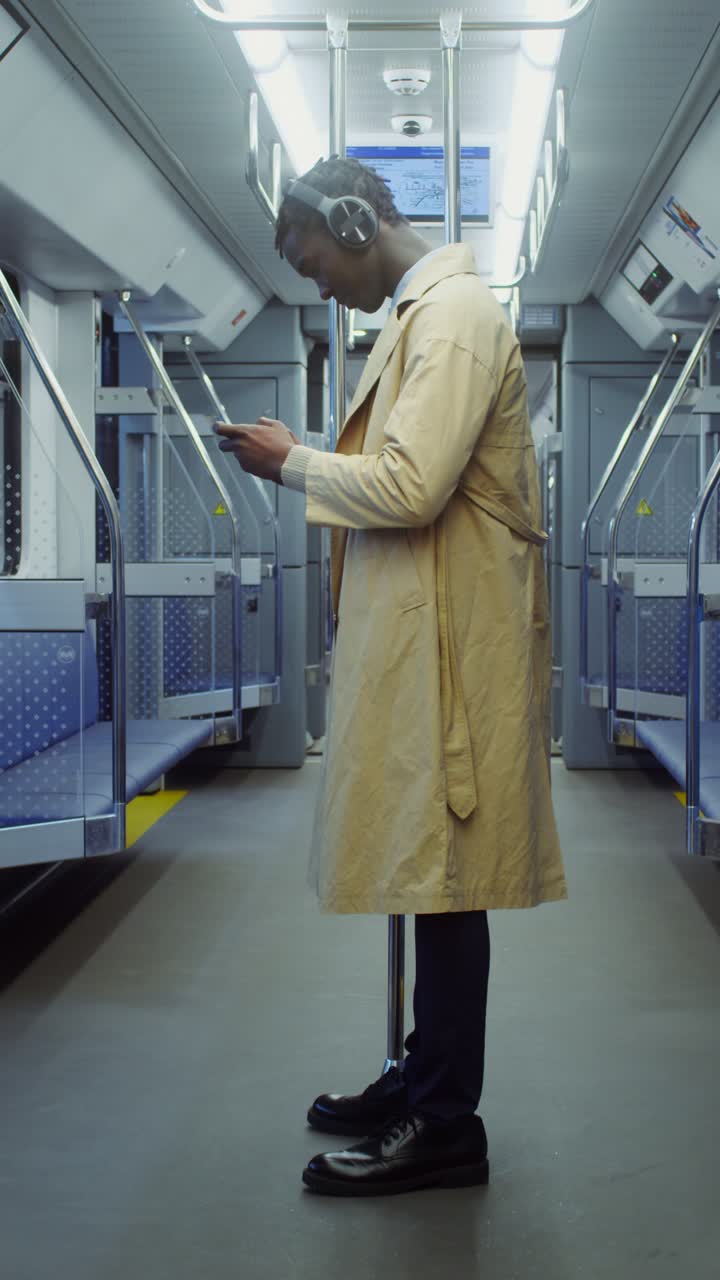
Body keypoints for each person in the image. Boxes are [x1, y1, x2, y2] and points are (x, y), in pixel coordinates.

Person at [215, 156, 567, 1199]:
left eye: (313, 261)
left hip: (453, 649)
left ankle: (447, 1121)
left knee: (448, 884)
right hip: (430, 642)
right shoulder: (422, 317)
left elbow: (412, 486)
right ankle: (421, 1077)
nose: (320, 284)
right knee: (429, 872)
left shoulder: (450, 319)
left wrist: (291, 462)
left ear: (354, 222)